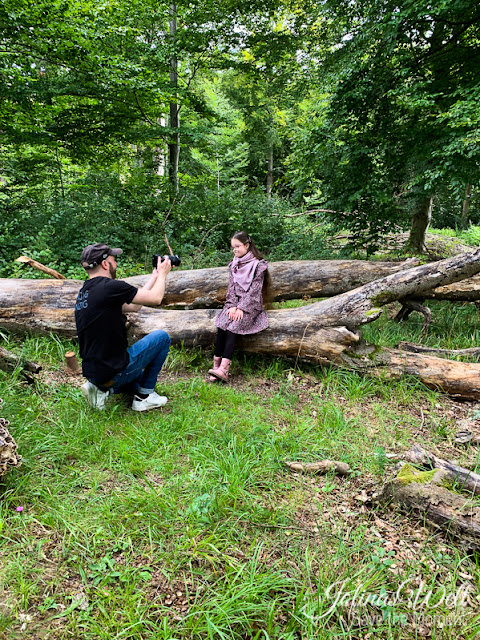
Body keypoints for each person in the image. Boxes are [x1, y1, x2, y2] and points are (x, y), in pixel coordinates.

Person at [74, 243, 172, 411]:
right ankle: (144, 397)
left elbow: (134, 306)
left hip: (95, 373)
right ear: (105, 264)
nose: (116, 263)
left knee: (139, 378)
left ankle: (100, 390)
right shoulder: (110, 286)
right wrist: (163, 274)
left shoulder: (86, 292)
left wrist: (154, 276)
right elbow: (156, 298)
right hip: (113, 370)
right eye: (114, 259)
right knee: (162, 337)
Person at [208, 231, 270, 383]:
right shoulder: (234, 265)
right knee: (222, 324)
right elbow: (231, 289)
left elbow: (254, 291)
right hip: (234, 305)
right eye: (232, 247)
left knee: (233, 327)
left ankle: (224, 369)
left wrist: (241, 308)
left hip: (251, 305)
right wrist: (231, 306)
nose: (235, 250)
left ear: (247, 245)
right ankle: (216, 367)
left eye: (237, 246)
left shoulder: (258, 265)